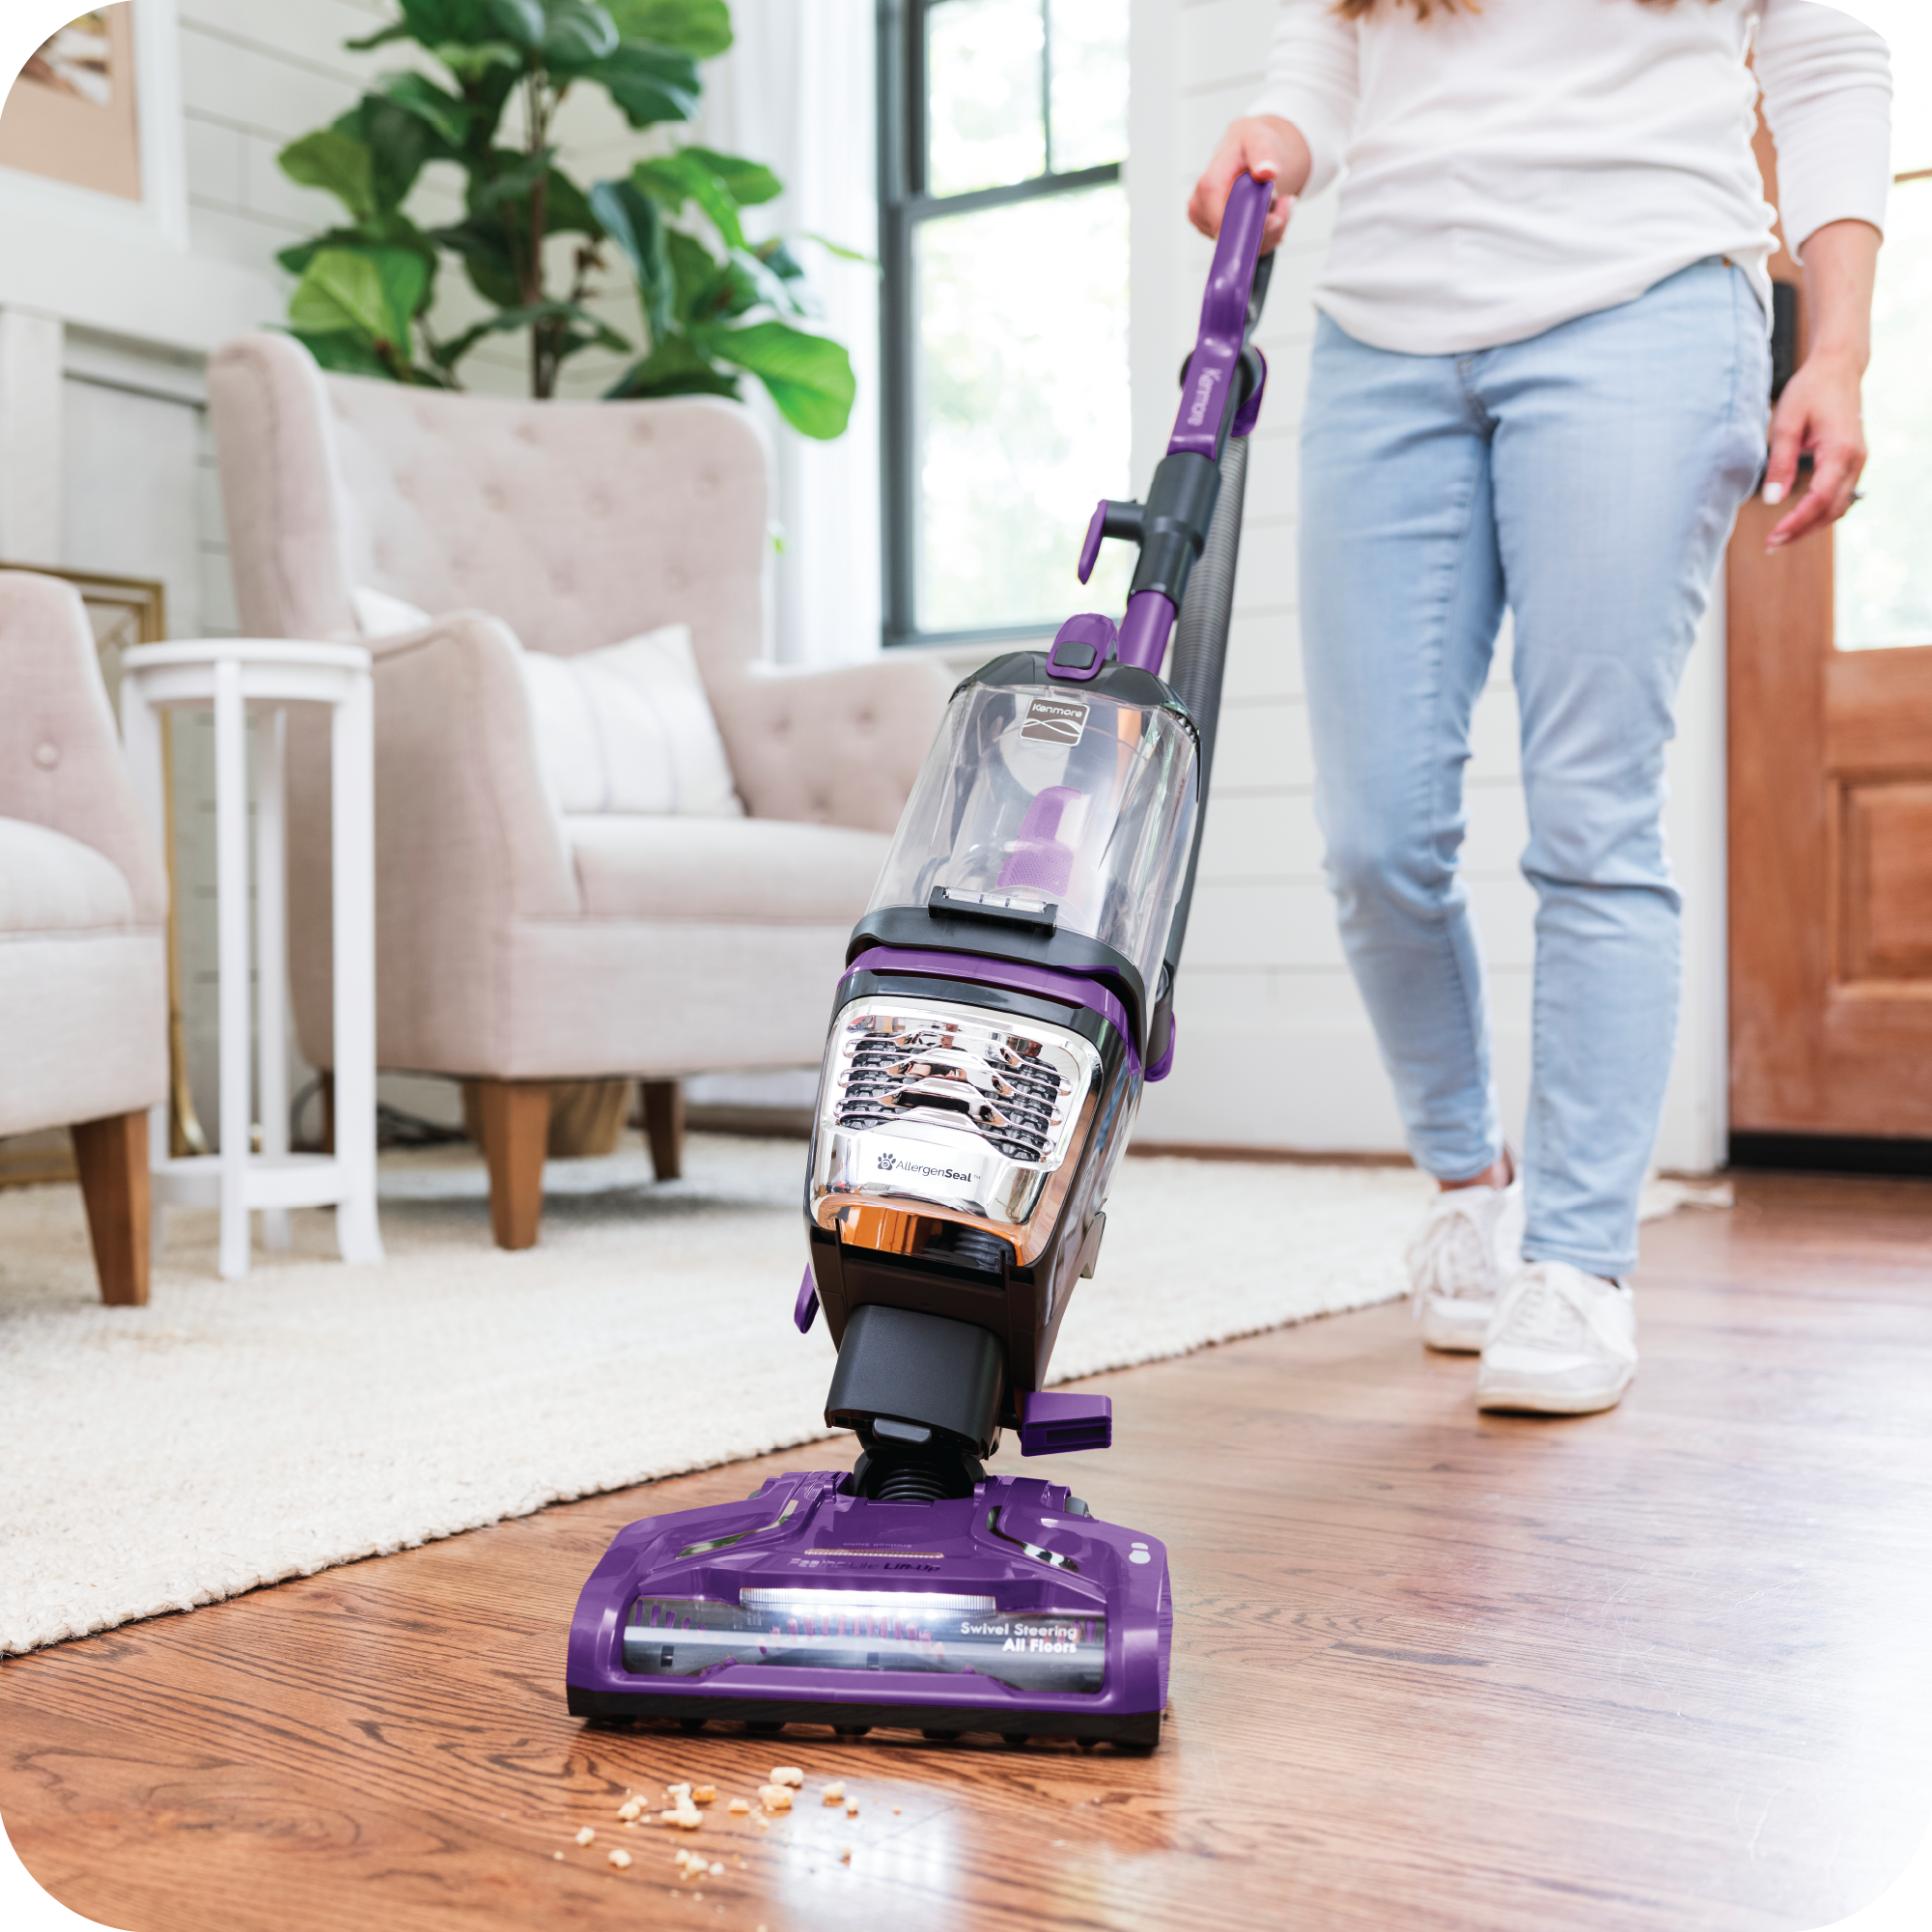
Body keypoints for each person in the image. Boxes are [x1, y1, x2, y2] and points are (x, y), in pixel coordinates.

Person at [1190, 0, 1891, 1415]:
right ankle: (1474, 1187)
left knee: (1592, 812)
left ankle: (1577, 1258)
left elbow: (1828, 61)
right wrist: (1277, 136)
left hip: (1646, 302)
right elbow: (1327, 57)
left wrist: (1838, 350)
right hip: (1384, 337)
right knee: (1376, 837)